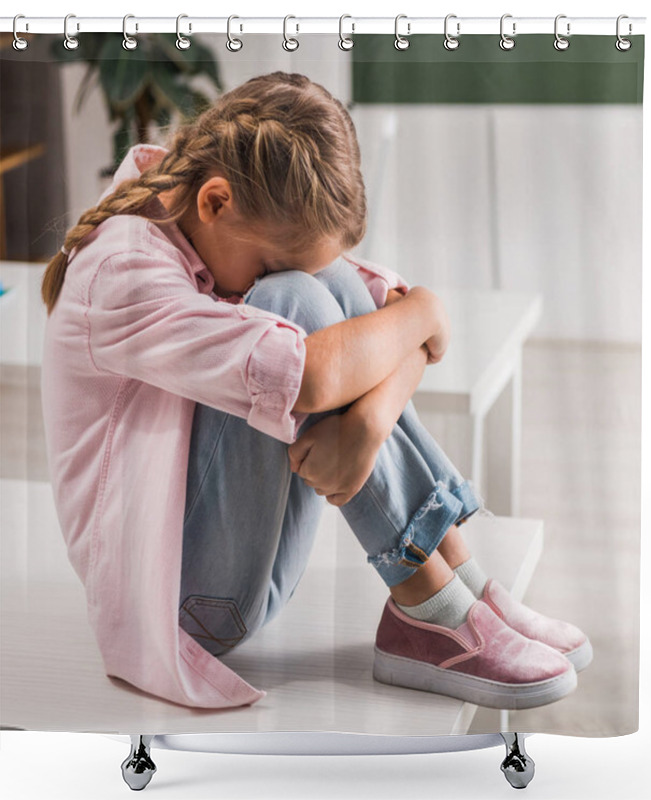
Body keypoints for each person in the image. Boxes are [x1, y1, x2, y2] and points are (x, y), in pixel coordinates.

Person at [39, 71, 591, 711]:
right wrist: (427, 313)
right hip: (182, 601)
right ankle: (427, 600)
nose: (278, 271)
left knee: (325, 294)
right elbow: (324, 369)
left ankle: (456, 585)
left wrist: (366, 428)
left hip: (246, 566)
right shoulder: (122, 273)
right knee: (291, 301)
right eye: (271, 258)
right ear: (217, 203)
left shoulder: (206, 201)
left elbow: (392, 322)